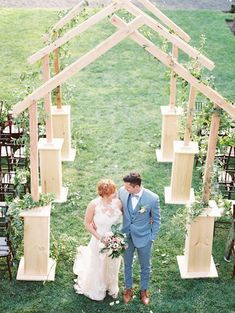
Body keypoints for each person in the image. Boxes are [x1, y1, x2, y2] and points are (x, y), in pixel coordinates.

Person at [73, 179, 123, 301]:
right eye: (112, 192)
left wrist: (118, 237)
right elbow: (87, 224)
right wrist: (100, 237)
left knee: (113, 263)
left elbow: (123, 221)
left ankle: (110, 285)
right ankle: (97, 287)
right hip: (98, 240)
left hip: (115, 240)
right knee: (98, 264)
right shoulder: (93, 205)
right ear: (105, 193)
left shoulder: (118, 203)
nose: (115, 193)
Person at [118, 172, 160, 305]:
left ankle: (144, 290)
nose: (125, 189)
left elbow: (157, 220)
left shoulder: (152, 198)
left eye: (128, 187)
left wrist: (151, 237)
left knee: (145, 266)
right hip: (126, 236)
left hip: (144, 237)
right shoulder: (122, 192)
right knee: (127, 264)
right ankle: (128, 289)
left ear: (136, 186)